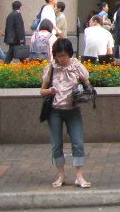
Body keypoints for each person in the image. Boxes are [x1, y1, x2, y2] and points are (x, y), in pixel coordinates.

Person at [40, 38, 93, 188]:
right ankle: (61, 175)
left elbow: (88, 85)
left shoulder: (77, 67)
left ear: (69, 54)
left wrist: (82, 91)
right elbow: (41, 91)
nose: (61, 59)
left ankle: (79, 176)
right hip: (54, 111)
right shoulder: (51, 68)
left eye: (64, 55)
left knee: (77, 142)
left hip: (73, 110)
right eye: (58, 55)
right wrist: (50, 91)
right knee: (57, 144)